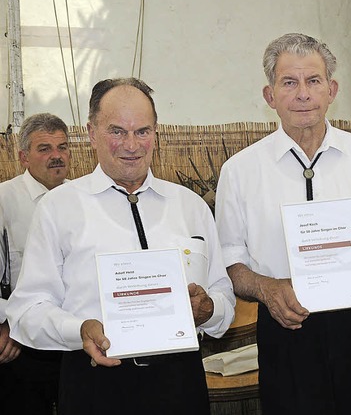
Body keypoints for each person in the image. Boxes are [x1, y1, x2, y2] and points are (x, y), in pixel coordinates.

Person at [6, 78, 235, 415]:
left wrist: (210, 310)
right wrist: (79, 330)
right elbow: (27, 311)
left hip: (180, 381)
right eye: (117, 131)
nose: (131, 144)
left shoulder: (190, 206)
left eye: (142, 131)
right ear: (91, 133)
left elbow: (223, 295)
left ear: (156, 133)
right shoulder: (58, 207)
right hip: (96, 381)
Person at [215, 33, 351, 415]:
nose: (303, 93)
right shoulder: (239, 172)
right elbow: (231, 262)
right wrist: (268, 289)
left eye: (313, 81)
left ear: (331, 89)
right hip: (289, 329)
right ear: (270, 96)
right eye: (289, 82)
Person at [0, 113, 70, 414]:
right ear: (23, 157)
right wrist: (6, 324)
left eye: (63, 147)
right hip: (21, 343)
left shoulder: (83, 199)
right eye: (45, 149)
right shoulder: (4, 199)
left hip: (76, 338)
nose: (56, 156)